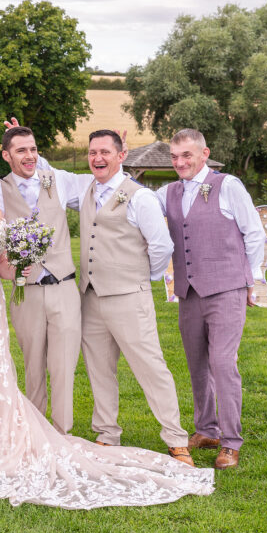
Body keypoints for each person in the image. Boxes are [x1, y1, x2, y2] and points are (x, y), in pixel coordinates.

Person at [0, 143, 214, 509]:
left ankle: (18, 436)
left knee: (4, 373)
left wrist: (19, 267)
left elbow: (2, 264)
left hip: (5, 297)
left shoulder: (15, 204)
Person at [78, 130, 194, 466]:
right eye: (92, 152)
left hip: (130, 296)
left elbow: (161, 246)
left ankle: (176, 439)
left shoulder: (140, 197)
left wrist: (143, 278)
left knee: (150, 367)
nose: (98, 158)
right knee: (99, 369)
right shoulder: (85, 190)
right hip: (91, 296)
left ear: (120, 155)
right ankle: (106, 434)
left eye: (105, 152)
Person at [156, 128, 265, 470]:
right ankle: (206, 429)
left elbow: (254, 231)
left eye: (186, 155)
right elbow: (133, 201)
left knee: (222, 363)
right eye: (174, 157)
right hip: (188, 292)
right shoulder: (168, 192)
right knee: (197, 365)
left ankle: (231, 442)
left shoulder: (228, 185)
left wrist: (253, 279)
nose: (179, 163)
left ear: (204, 154)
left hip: (227, 288)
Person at [0, 124, 92, 435]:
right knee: (33, 368)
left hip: (64, 288)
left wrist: (118, 157)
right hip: (25, 292)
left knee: (63, 368)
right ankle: (33, 434)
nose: (30, 155)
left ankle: (62, 433)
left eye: (33, 149)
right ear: (6, 155)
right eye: (21, 150)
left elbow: (101, 184)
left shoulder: (57, 179)